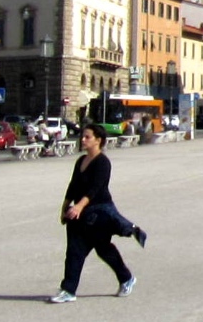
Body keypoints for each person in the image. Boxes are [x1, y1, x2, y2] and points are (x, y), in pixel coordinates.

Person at [47, 124, 136, 303]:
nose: (83, 140)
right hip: (79, 212)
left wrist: (79, 206)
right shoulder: (81, 161)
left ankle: (126, 278)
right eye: (83, 136)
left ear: (98, 140)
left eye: (87, 137)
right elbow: (73, 185)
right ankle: (68, 290)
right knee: (74, 251)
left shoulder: (103, 162)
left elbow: (96, 188)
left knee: (103, 249)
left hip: (99, 212)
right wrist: (65, 206)